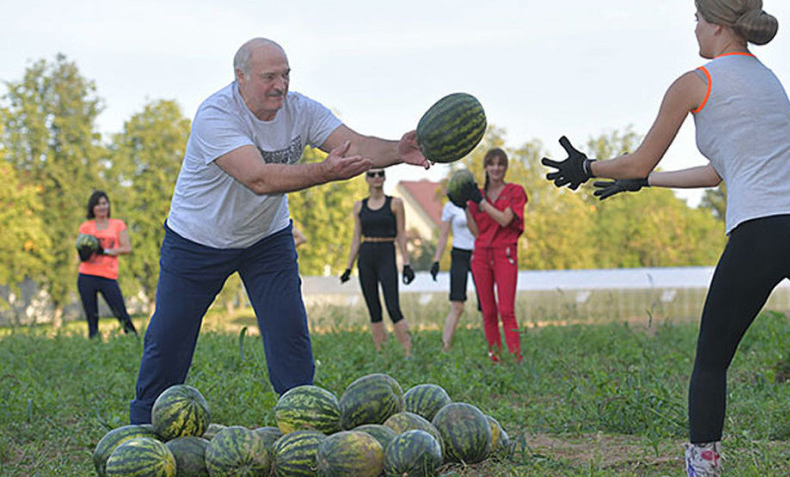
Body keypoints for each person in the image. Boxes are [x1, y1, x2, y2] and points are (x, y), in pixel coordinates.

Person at [541, 0, 790, 476]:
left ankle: (702, 468)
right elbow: (718, 172)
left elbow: (637, 159)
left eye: (695, 17)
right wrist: (648, 184)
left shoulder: (697, 82)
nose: (693, 27)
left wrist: (588, 167)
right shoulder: (768, 80)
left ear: (715, 25)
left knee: (711, 360)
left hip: (761, 232)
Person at [129, 37, 428, 424]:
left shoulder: (301, 110)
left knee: (289, 330)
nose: (280, 85)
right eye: (269, 76)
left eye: (286, 75)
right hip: (197, 241)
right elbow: (259, 178)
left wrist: (397, 151)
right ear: (241, 77)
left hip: (266, 239)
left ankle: (305, 421)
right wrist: (324, 172)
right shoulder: (216, 115)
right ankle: (144, 424)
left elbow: (356, 145)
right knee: (169, 335)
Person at [455, 148, 527, 363]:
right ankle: (495, 357)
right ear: (485, 167)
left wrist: (482, 203)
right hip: (481, 256)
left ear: (505, 167)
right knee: (488, 312)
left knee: (506, 309)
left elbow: (505, 220)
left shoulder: (515, 191)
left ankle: (516, 358)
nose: (496, 168)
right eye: (491, 164)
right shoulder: (477, 195)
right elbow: (476, 232)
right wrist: (466, 207)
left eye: (500, 164)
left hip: (505, 252)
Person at [340, 169, 415, 356]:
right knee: (374, 308)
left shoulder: (395, 204)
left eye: (380, 174)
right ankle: (382, 353)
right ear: (366, 179)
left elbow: (401, 235)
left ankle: (408, 353)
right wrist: (348, 267)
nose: (376, 178)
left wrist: (406, 263)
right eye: (372, 175)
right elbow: (356, 237)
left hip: (386, 254)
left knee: (393, 307)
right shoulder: (359, 206)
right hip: (366, 256)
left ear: (384, 177)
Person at [76, 190, 137, 339]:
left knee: (120, 313)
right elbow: (80, 249)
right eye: (97, 204)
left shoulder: (117, 225)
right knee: (92, 316)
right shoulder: (86, 227)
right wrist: (85, 252)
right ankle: (95, 345)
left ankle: (134, 340)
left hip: (108, 275)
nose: (101, 207)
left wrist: (107, 251)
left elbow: (126, 248)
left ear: (108, 205)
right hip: (87, 275)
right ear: (92, 208)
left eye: (104, 203)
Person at [431, 196, 477, 351]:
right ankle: (445, 347)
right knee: (457, 305)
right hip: (459, 255)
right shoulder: (450, 206)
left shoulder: (478, 202)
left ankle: (493, 347)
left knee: (486, 305)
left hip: (479, 253)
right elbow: (443, 235)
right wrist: (437, 260)